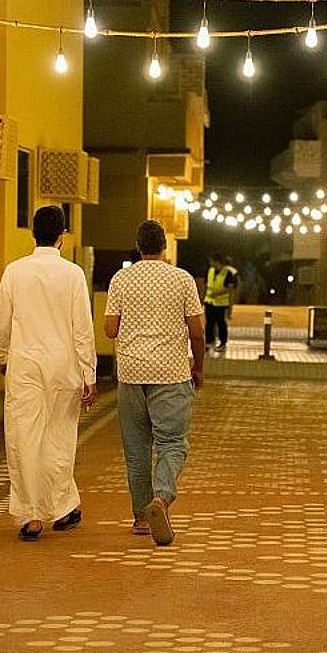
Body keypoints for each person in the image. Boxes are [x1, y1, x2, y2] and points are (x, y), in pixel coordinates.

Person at [0, 205, 97, 542]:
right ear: (62, 236)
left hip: (24, 365)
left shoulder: (14, 272)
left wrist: (2, 355)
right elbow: (83, 328)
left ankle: (31, 515)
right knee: (59, 438)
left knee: (24, 437)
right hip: (64, 367)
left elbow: (2, 321)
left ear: (33, 234)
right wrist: (89, 374)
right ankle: (63, 508)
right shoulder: (73, 274)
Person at [104, 220, 204, 546]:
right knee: (172, 444)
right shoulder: (182, 279)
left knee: (137, 451)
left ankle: (141, 519)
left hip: (131, 374)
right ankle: (160, 498)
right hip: (171, 373)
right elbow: (197, 331)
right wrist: (198, 367)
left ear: (138, 247)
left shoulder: (121, 279)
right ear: (164, 246)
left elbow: (110, 328)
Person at [203, 253, 237, 351]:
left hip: (221, 303)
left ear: (217, 262)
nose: (210, 263)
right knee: (209, 323)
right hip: (209, 301)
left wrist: (218, 293)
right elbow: (206, 285)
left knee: (221, 323)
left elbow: (230, 289)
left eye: (211, 261)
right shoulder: (210, 271)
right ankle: (209, 342)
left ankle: (222, 343)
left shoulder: (228, 273)